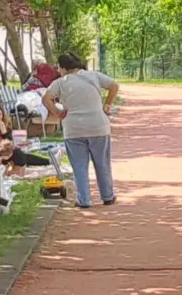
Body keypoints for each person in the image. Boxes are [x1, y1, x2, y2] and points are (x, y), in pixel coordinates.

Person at [42, 53, 122, 209]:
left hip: (73, 129)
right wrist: (107, 105)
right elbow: (114, 86)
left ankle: (84, 199)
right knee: (102, 164)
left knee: (79, 166)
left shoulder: (60, 83)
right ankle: (107, 196)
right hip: (98, 126)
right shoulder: (94, 75)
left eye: (59, 67)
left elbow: (46, 98)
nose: (58, 70)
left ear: (65, 68)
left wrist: (57, 113)